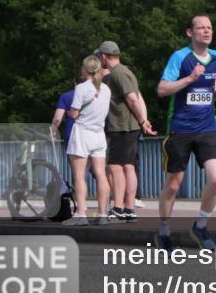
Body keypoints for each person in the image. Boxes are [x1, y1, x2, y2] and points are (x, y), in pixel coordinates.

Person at [154, 14, 216, 252]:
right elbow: (162, 89)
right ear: (190, 32)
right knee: (174, 185)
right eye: (201, 28)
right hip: (180, 129)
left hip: (207, 127)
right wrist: (189, 78)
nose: (207, 31)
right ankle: (164, 233)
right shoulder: (180, 57)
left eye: (209, 27)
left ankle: (200, 226)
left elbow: (211, 80)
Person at [98, 41, 155, 222]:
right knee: (128, 166)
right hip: (129, 127)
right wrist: (141, 121)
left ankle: (119, 207)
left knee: (115, 166)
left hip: (121, 126)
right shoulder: (124, 72)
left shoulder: (118, 74)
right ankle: (129, 208)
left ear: (104, 57)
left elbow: (132, 99)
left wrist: (142, 120)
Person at [63, 55, 112, 226]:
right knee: (100, 174)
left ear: (85, 69)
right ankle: (102, 213)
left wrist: (70, 113)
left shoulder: (82, 88)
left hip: (82, 133)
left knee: (79, 175)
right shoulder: (106, 89)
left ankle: (81, 214)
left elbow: (75, 113)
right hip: (99, 133)